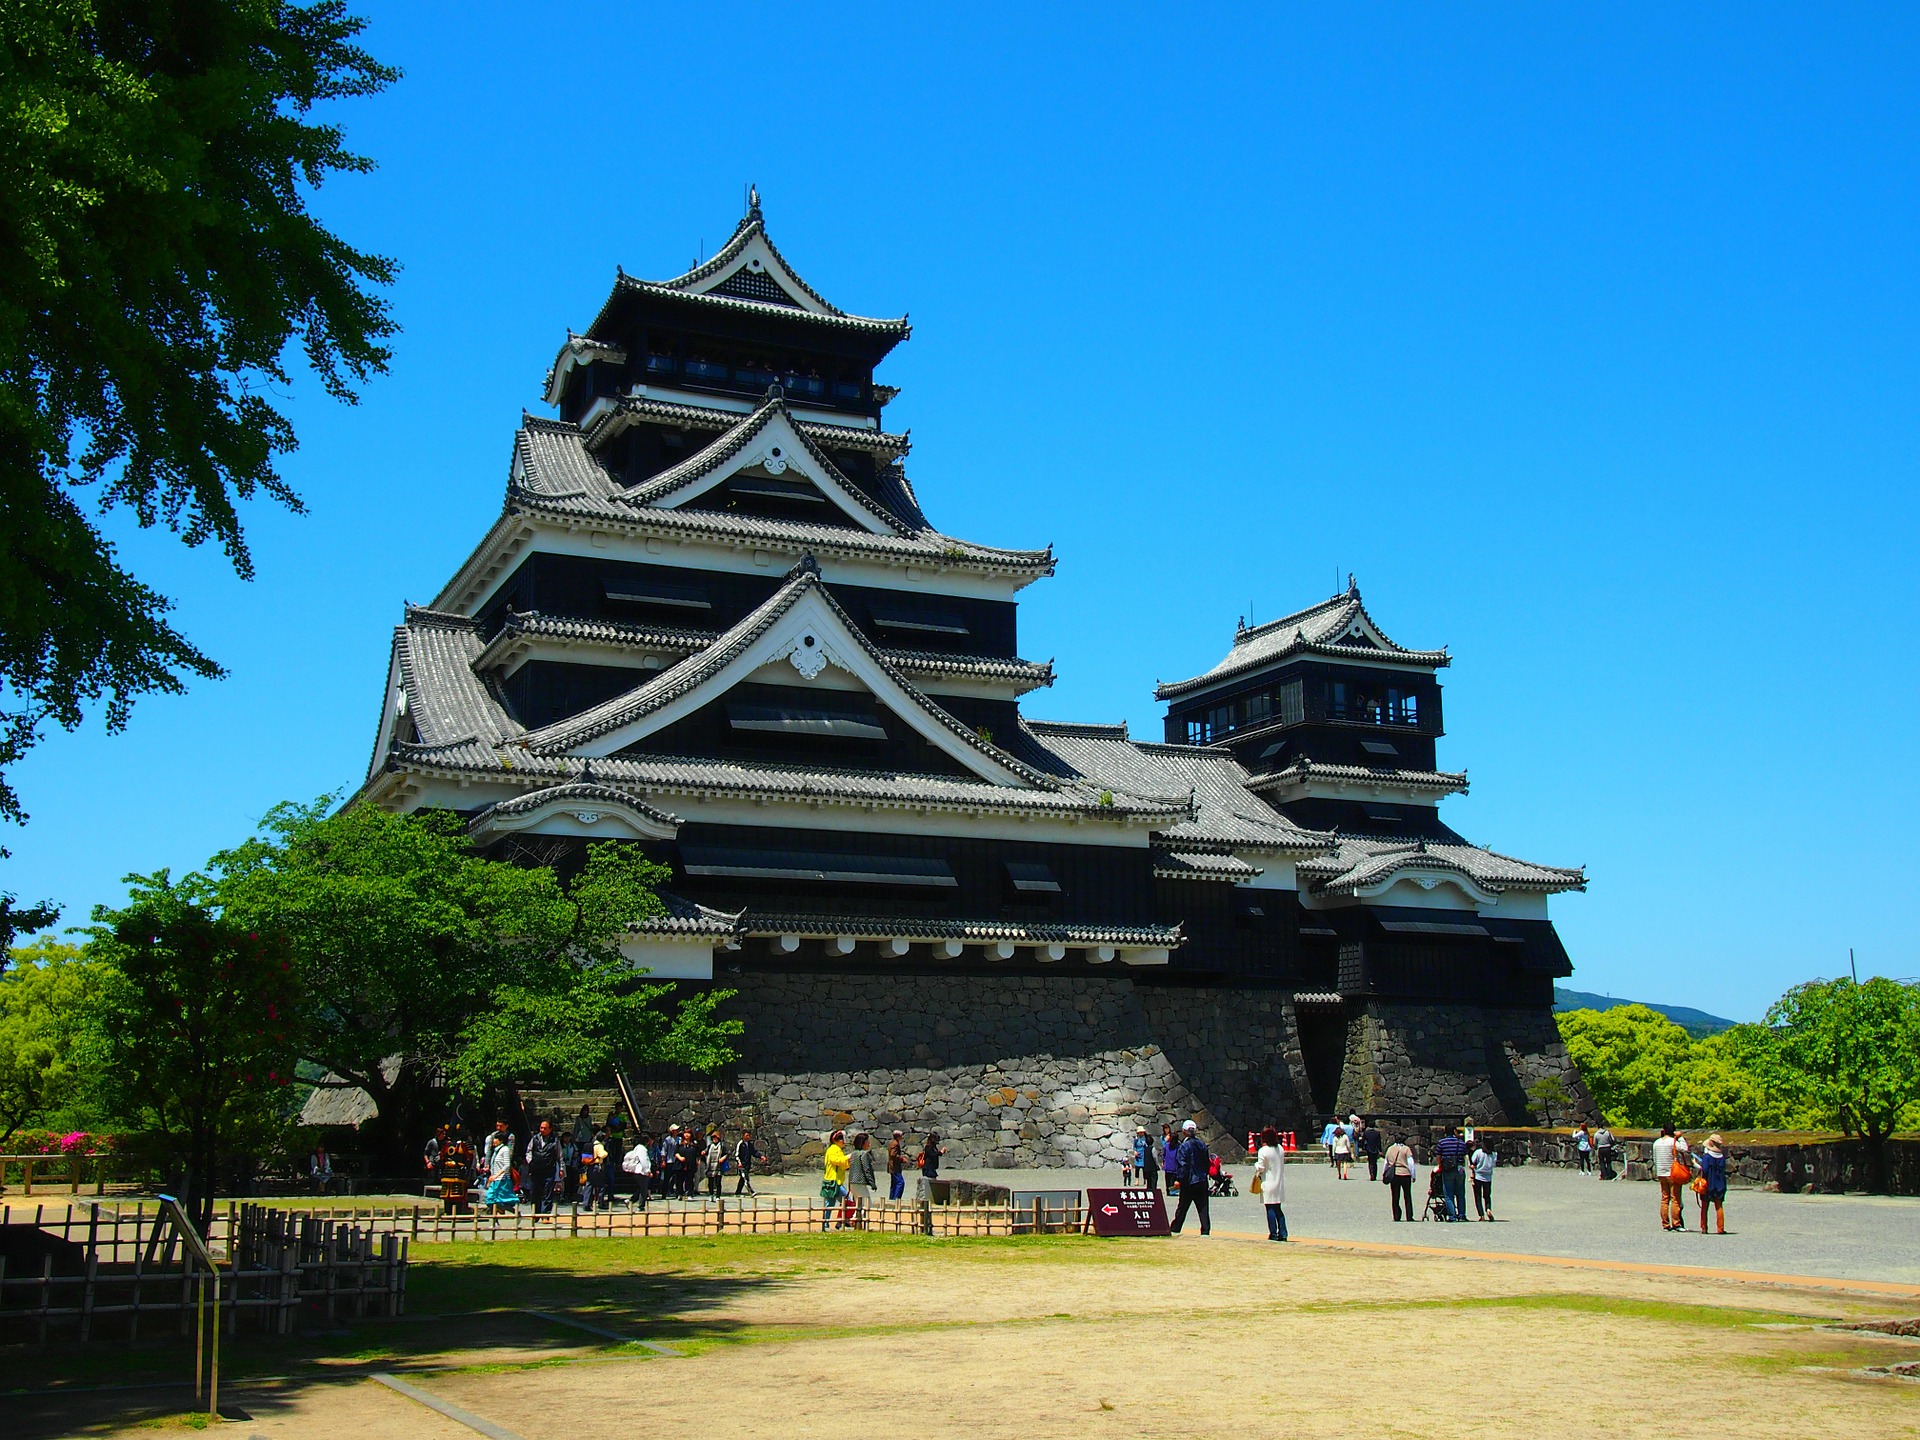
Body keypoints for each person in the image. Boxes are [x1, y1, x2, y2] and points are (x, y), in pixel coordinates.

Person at [1169, 1120, 1211, 1236]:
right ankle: (1205, 1230)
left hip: (1189, 1181)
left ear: (1184, 1131)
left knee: (1182, 1206)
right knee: (1203, 1207)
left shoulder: (1184, 1146)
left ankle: (1176, 1228)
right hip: (1202, 1180)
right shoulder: (1202, 1144)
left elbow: (1182, 1165)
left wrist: (1179, 1179)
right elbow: (1207, 1162)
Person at [1652, 1125, 1691, 1231]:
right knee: (1675, 1198)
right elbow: (1684, 1149)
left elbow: (1655, 1158)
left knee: (1664, 1199)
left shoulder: (1656, 1143)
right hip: (1672, 1173)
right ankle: (1676, 1223)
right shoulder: (1672, 1142)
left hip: (1661, 1172)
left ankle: (1665, 1224)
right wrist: (1681, 1137)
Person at [1252, 1126, 1288, 1241]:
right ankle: (1283, 1233)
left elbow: (1261, 1167)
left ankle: (1273, 1233)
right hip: (1279, 1182)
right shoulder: (1280, 1149)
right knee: (1278, 1208)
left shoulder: (1263, 1151)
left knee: (1270, 1208)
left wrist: (1256, 1165)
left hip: (1268, 1182)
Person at [1432, 1125, 1468, 1221]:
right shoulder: (1460, 1142)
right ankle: (1462, 1215)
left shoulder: (1442, 1143)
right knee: (1460, 1193)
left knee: (1448, 1193)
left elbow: (1438, 1156)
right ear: (1454, 1131)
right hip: (1459, 1168)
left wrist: (1440, 1166)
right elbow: (1465, 1153)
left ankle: (1452, 1216)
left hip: (1447, 1169)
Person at [526, 1120, 562, 1216]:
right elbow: (528, 1151)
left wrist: (561, 1169)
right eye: (541, 1128)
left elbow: (559, 1156)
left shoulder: (555, 1141)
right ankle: (535, 1213)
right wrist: (530, 1161)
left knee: (547, 1193)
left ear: (550, 1129)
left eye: (545, 1128)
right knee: (534, 1192)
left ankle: (545, 1214)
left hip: (549, 1169)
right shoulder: (534, 1139)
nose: (542, 1130)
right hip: (535, 1169)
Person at [1697, 1134, 1729, 1234]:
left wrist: (1696, 1165)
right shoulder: (1722, 1157)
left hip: (1708, 1183)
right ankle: (1720, 1228)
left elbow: (1705, 1170)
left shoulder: (1707, 1157)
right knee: (1719, 1206)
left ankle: (1704, 1227)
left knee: (1705, 1206)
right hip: (1719, 1182)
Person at [481, 1124, 518, 1211]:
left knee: (499, 1200)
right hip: (495, 1179)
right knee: (490, 1199)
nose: (494, 1141)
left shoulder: (505, 1150)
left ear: (501, 1140)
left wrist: (496, 1175)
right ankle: (496, 1220)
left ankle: (513, 1212)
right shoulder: (495, 1151)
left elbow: (507, 1165)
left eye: (496, 1139)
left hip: (502, 1179)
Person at [1382, 1133, 1418, 1221]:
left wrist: (1384, 1173)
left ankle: (1396, 1215)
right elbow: (1411, 1163)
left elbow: (1386, 1163)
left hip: (1394, 1174)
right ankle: (1409, 1216)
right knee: (1407, 1196)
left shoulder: (1390, 1149)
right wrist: (1413, 1175)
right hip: (1405, 1174)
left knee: (1395, 1196)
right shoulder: (1406, 1149)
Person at [822, 1129, 850, 1230]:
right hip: (833, 1181)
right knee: (847, 1201)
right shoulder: (833, 1149)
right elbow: (836, 1161)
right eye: (841, 1139)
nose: (844, 1141)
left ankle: (826, 1222)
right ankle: (842, 1221)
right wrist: (848, 1157)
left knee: (830, 1203)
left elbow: (843, 1165)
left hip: (836, 1181)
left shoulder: (838, 1150)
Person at [847, 1132, 877, 1227]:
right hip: (859, 1182)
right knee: (868, 1204)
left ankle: (857, 1221)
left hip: (852, 1182)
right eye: (867, 1141)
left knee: (859, 1204)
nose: (869, 1143)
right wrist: (872, 1183)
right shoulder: (864, 1154)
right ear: (863, 1143)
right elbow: (866, 1169)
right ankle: (854, 1219)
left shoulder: (853, 1154)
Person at [1468, 1136, 1497, 1221]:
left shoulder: (1479, 1152)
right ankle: (1488, 1209)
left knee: (1478, 1196)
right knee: (1487, 1196)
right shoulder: (1494, 1154)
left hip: (1478, 1176)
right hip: (1488, 1177)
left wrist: (1472, 1167)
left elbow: (1473, 1163)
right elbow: (1493, 1165)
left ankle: (1481, 1215)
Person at [622, 1129, 653, 1208]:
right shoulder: (642, 1149)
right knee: (643, 1190)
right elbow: (643, 1160)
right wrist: (648, 1170)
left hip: (639, 1171)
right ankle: (641, 1205)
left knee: (641, 1188)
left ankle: (630, 1201)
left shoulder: (638, 1148)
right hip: (641, 1171)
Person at [1133, 1126, 1158, 1194]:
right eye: (1140, 1132)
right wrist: (1135, 1151)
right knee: (1137, 1168)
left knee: (1145, 1168)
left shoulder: (1146, 1138)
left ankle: (1145, 1180)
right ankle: (1137, 1180)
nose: (1141, 1133)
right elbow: (1134, 1146)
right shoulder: (1136, 1139)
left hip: (1145, 1154)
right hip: (1138, 1154)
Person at [704, 1128, 726, 1198]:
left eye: (715, 1137)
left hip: (718, 1166)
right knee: (710, 1182)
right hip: (710, 1166)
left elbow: (726, 1154)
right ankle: (711, 1194)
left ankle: (718, 1196)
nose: (714, 1139)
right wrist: (703, 1152)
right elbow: (706, 1152)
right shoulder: (710, 1146)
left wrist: (723, 1158)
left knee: (718, 1182)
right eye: (713, 1138)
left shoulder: (722, 1146)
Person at [735, 1131, 758, 1196]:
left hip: (747, 1164)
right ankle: (751, 1192)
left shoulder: (749, 1144)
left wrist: (761, 1156)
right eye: (747, 1135)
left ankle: (737, 1192)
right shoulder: (740, 1144)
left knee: (742, 1179)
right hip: (741, 1164)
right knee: (745, 1178)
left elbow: (754, 1152)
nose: (748, 1137)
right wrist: (739, 1163)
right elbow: (737, 1155)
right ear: (743, 1136)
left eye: (749, 1136)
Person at [886, 1131, 906, 1201]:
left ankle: (892, 1198)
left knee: (894, 1184)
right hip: (894, 1166)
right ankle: (896, 1199)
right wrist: (901, 1159)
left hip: (892, 1166)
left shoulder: (892, 1142)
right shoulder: (895, 1144)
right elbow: (893, 1154)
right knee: (901, 1182)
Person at [1160, 1125, 1179, 1194]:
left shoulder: (1167, 1145)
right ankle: (1172, 1191)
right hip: (1174, 1165)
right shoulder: (1178, 1146)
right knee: (1173, 1179)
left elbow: (1163, 1154)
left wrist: (1163, 1161)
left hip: (1167, 1165)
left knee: (1167, 1179)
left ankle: (1168, 1190)